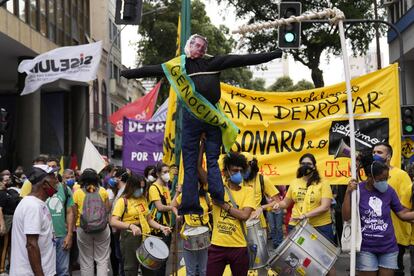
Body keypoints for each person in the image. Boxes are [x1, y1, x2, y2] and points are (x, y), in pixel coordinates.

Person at [121, 34, 283, 215]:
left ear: (206, 51)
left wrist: (273, 54)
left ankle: (217, 196)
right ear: (188, 46)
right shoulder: (177, 66)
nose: (200, 49)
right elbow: (151, 70)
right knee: (189, 163)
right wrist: (127, 73)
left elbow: (243, 59)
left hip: (209, 119)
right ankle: (191, 205)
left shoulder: (212, 63)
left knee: (211, 161)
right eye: (197, 45)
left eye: (203, 47)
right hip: (194, 119)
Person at [342, 152, 414, 275]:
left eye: (387, 179)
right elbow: (346, 217)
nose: (385, 182)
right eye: (381, 179)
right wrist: (348, 193)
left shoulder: (389, 191)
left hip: (389, 248)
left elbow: (402, 214)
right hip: (365, 248)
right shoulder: (357, 190)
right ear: (370, 176)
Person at [273, 153, 336, 275]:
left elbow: (325, 206)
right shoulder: (295, 182)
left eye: (309, 164)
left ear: (314, 166)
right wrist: (278, 205)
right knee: (300, 263)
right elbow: (286, 202)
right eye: (303, 164)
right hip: (296, 226)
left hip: (320, 227)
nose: (305, 166)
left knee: (326, 263)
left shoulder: (323, 182)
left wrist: (306, 215)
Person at [111, 174, 171, 276]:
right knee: (131, 268)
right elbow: (113, 221)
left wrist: (161, 227)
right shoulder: (122, 201)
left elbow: (149, 220)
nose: (141, 190)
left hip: (145, 234)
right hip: (130, 236)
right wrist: (130, 226)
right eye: (139, 187)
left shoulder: (143, 199)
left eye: (143, 187)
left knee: (148, 267)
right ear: (132, 186)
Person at [206, 152, 255, 276]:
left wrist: (223, 205)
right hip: (217, 245)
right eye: (234, 170)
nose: (238, 174)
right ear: (225, 172)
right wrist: (202, 146)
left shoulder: (248, 191)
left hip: (239, 246)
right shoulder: (218, 188)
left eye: (240, 170)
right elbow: (200, 172)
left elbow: (244, 215)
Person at [171, 137, 212, 276]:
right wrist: (177, 214)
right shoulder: (185, 196)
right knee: (190, 271)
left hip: (205, 233)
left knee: (203, 270)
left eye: (197, 182)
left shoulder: (206, 197)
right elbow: (173, 205)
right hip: (188, 232)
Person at [9, 164, 59, 276]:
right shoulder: (32, 206)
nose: (56, 180)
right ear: (45, 184)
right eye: (53, 176)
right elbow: (31, 244)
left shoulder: (39, 204)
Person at [372, 142, 413, 276]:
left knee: (394, 271)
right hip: (374, 234)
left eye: (379, 152)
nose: (375, 155)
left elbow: (406, 206)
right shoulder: (368, 176)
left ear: (388, 156)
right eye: (374, 152)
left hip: (395, 234)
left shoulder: (401, 175)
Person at [73, 168, 111, 276]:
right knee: (102, 260)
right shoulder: (103, 191)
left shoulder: (77, 193)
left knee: (86, 261)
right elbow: (107, 209)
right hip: (102, 229)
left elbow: (75, 213)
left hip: (83, 229)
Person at [241, 152, 280, 243]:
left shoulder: (263, 179)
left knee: (260, 254)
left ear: (252, 165)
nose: (242, 171)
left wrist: (262, 208)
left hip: (258, 224)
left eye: (244, 168)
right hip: (240, 224)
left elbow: (278, 201)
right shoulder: (237, 179)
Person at [46, 169, 75, 276]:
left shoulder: (65, 189)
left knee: (63, 271)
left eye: (54, 167)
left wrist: (69, 235)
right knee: (46, 270)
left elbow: (70, 212)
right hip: (45, 237)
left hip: (62, 235)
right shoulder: (40, 189)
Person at [148, 162, 173, 276]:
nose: (167, 174)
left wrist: (177, 193)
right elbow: (160, 207)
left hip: (167, 226)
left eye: (168, 172)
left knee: (164, 259)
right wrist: (173, 208)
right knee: (158, 260)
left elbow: (169, 204)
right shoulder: (154, 187)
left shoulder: (166, 187)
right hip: (157, 228)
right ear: (158, 174)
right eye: (164, 172)